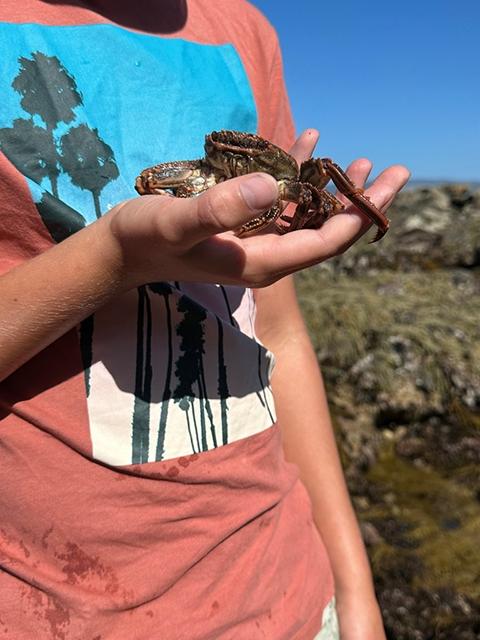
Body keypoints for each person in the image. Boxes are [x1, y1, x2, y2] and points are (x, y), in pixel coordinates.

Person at [0, 0, 409, 638]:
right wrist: (113, 257)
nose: (228, 150)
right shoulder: (191, 174)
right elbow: (154, 183)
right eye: (223, 149)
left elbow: (278, 333)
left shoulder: (245, 30)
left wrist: (356, 592)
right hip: (54, 606)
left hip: (290, 585)